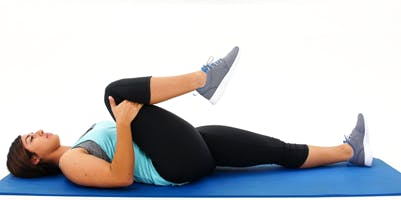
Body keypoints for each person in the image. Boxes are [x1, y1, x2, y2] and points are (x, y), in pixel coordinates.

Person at [6, 47, 373, 188]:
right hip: (174, 166)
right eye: (30, 138)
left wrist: (123, 124)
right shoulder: (71, 162)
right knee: (113, 94)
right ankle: (204, 80)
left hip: (189, 145)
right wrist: (120, 123)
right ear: (35, 159)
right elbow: (120, 178)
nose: (37, 131)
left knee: (276, 149)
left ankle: (348, 151)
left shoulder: (81, 139)